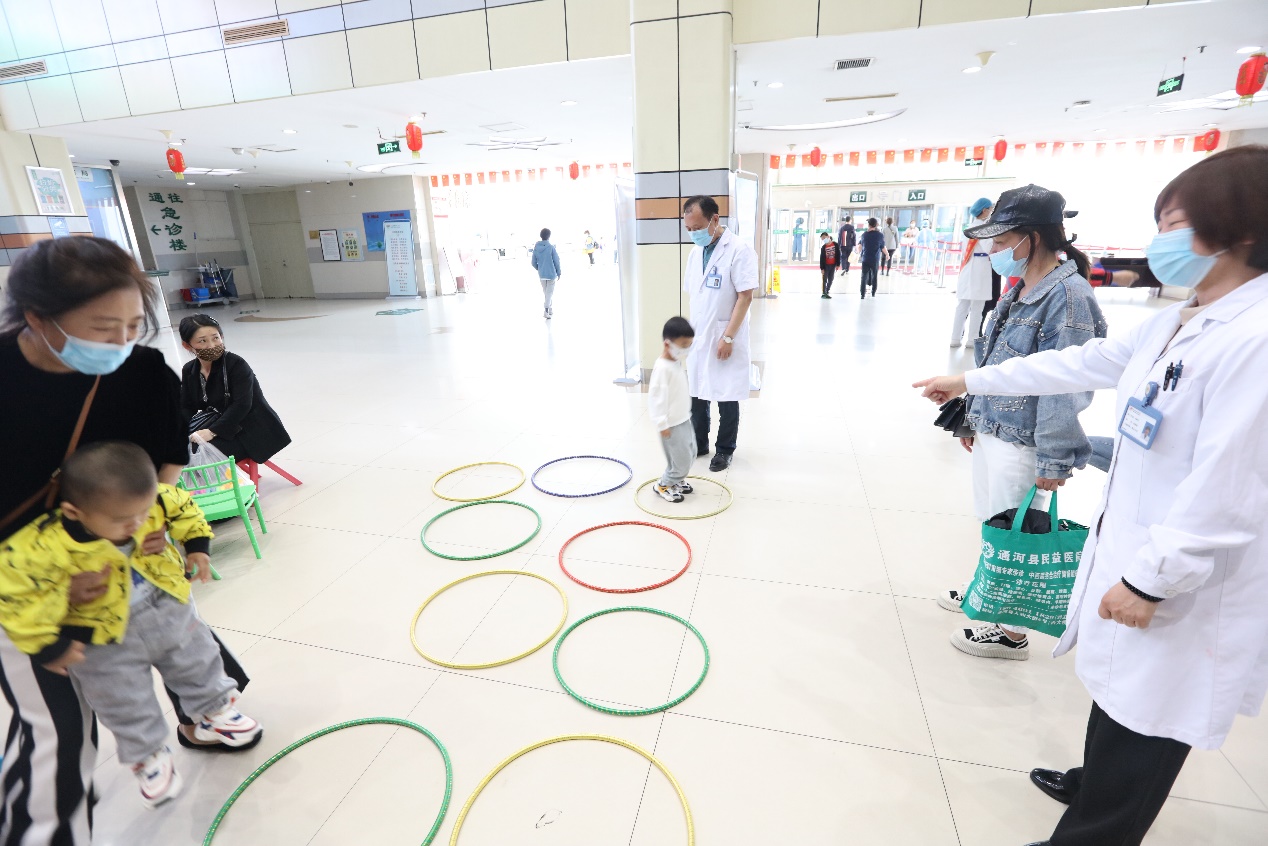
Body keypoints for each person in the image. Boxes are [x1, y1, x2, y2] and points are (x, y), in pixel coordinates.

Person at [914, 146, 1268, 846]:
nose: (1160, 242)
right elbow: (1079, 364)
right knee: (1117, 691)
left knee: (1150, 717)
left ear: (1242, 229)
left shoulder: (1254, 339)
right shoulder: (1181, 318)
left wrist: (1151, 581)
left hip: (1182, 576)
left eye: (1175, 225)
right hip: (1134, 538)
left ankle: (1094, 830)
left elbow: (1229, 490)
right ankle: (1092, 782)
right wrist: (970, 382)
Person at [0, 236, 252, 845]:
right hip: (24, 575)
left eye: (133, 325)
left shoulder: (140, 372)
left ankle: (202, 716)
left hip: (128, 550)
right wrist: (57, 588)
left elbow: (165, 468)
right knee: (57, 724)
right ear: (38, 318)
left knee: (178, 635)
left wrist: (151, 526)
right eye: (101, 327)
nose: (119, 342)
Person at [0, 442, 263, 810]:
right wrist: (48, 644)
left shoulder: (148, 500)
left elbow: (182, 505)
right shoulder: (41, 543)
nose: (138, 524)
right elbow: (14, 594)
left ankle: (214, 710)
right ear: (75, 511)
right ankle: (147, 756)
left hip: (165, 606)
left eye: (144, 512)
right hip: (101, 635)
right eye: (123, 520)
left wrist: (197, 546)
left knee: (197, 655)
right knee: (120, 697)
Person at [929, 185, 1107, 660]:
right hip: (996, 429)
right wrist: (974, 420)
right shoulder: (1021, 288)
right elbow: (996, 364)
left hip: (1026, 440)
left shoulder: (1068, 297)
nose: (995, 250)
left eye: (1003, 240)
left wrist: (1054, 458)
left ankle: (1009, 632)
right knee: (996, 522)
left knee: (1019, 529)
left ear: (1033, 237)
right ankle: (987, 592)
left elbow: (1064, 385)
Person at [681, 195, 757, 473]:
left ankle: (725, 450)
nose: (693, 233)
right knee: (697, 393)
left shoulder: (739, 249)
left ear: (714, 219)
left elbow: (745, 297)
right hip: (700, 335)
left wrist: (728, 337)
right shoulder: (695, 254)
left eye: (697, 227)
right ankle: (699, 443)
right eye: (689, 229)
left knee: (726, 395)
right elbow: (697, 296)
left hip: (726, 334)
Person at [180, 315, 291, 464]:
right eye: (202, 341)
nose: (211, 345)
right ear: (187, 345)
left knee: (197, 453)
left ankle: (207, 480)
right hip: (219, 423)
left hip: (251, 430)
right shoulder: (189, 370)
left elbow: (242, 405)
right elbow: (186, 406)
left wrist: (212, 432)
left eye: (215, 338)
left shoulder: (236, 364)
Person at [649, 317, 696, 503]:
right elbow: (656, 399)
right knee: (681, 460)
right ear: (667, 344)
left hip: (683, 418)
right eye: (683, 345)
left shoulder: (675, 361)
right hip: (671, 424)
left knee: (691, 453)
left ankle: (676, 479)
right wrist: (662, 424)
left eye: (689, 345)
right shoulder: (662, 368)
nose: (686, 349)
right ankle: (664, 484)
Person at [951, 198, 996, 347]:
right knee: (977, 307)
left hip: (968, 267)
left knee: (962, 306)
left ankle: (955, 338)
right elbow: (989, 248)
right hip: (980, 268)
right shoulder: (983, 229)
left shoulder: (969, 227)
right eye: (990, 209)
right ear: (984, 210)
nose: (991, 212)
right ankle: (972, 340)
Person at [531, 228, 562, 318]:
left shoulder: (536, 248)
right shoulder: (551, 247)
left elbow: (533, 262)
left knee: (547, 293)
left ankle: (550, 309)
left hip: (542, 274)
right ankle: (546, 310)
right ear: (549, 236)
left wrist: (539, 269)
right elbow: (556, 261)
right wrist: (559, 272)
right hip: (551, 274)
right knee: (549, 293)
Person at [858, 218, 885, 299]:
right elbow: (882, 247)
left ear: (869, 225)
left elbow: (860, 246)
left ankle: (862, 294)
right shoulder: (880, 235)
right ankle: (873, 292)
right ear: (876, 225)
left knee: (864, 276)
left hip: (865, 258)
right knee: (874, 276)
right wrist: (887, 254)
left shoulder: (864, 235)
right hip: (875, 259)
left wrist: (859, 254)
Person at [818, 231, 839, 298]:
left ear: (828, 236)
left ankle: (827, 290)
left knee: (831, 279)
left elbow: (838, 254)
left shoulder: (835, 245)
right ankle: (824, 292)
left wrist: (838, 264)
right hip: (826, 265)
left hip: (833, 265)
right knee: (824, 279)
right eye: (822, 239)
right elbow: (821, 258)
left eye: (824, 238)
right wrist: (822, 268)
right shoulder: (823, 247)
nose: (824, 240)